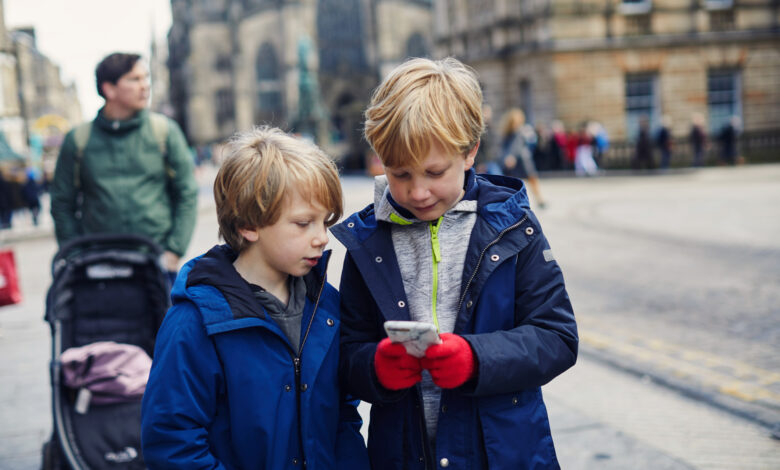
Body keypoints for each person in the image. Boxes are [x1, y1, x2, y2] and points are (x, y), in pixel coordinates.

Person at [332, 57, 578, 469]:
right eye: (400, 174)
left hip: (500, 453)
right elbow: (347, 350)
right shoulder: (367, 239)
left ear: (470, 152)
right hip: (405, 454)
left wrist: (476, 358)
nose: (418, 191)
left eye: (433, 171)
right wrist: (374, 368)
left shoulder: (514, 226)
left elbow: (557, 337)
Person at [141, 126, 369, 469]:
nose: (322, 238)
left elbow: (343, 416)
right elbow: (172, 442)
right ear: (250, 225)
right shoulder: (195, 323)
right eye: (304, 223)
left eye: (325, 222)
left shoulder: (325, 307)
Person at [50, 52, 198, 281]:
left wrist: (174, 250)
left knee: (166, 318)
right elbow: (62, 202)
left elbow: (187, 192)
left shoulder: (165, 132)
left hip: (156, 263)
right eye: (134, 79)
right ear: (109, 89)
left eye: (145, 77)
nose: (145, 86)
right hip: (97, 266)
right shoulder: (78, 140)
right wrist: (76, 253)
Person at [499, 108, 547, 208]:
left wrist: (511, 156)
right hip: (515, 161)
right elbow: (507, 147)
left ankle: (539, 199)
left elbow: (518, 145)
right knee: (514, 182)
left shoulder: (521, 131)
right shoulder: (508, 133)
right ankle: (515, 201)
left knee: (532, 179)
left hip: (524, 160)